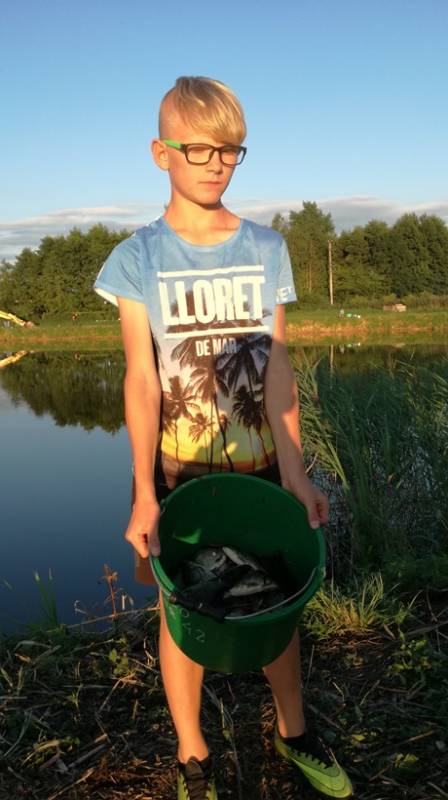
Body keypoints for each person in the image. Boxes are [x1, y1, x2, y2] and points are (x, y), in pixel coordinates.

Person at [94, 76, 352, 800]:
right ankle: (192, 756)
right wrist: (144, 493)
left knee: (276, 605)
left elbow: (278, 369)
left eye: (230, 150)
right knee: (180, 616)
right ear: (161, 153)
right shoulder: (137, 258)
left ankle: (293, 731)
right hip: (179, 473)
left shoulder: (267, 247)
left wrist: (295, 470)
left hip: (261, 467)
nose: (216, 163)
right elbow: (142, 380)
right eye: (198, 149)